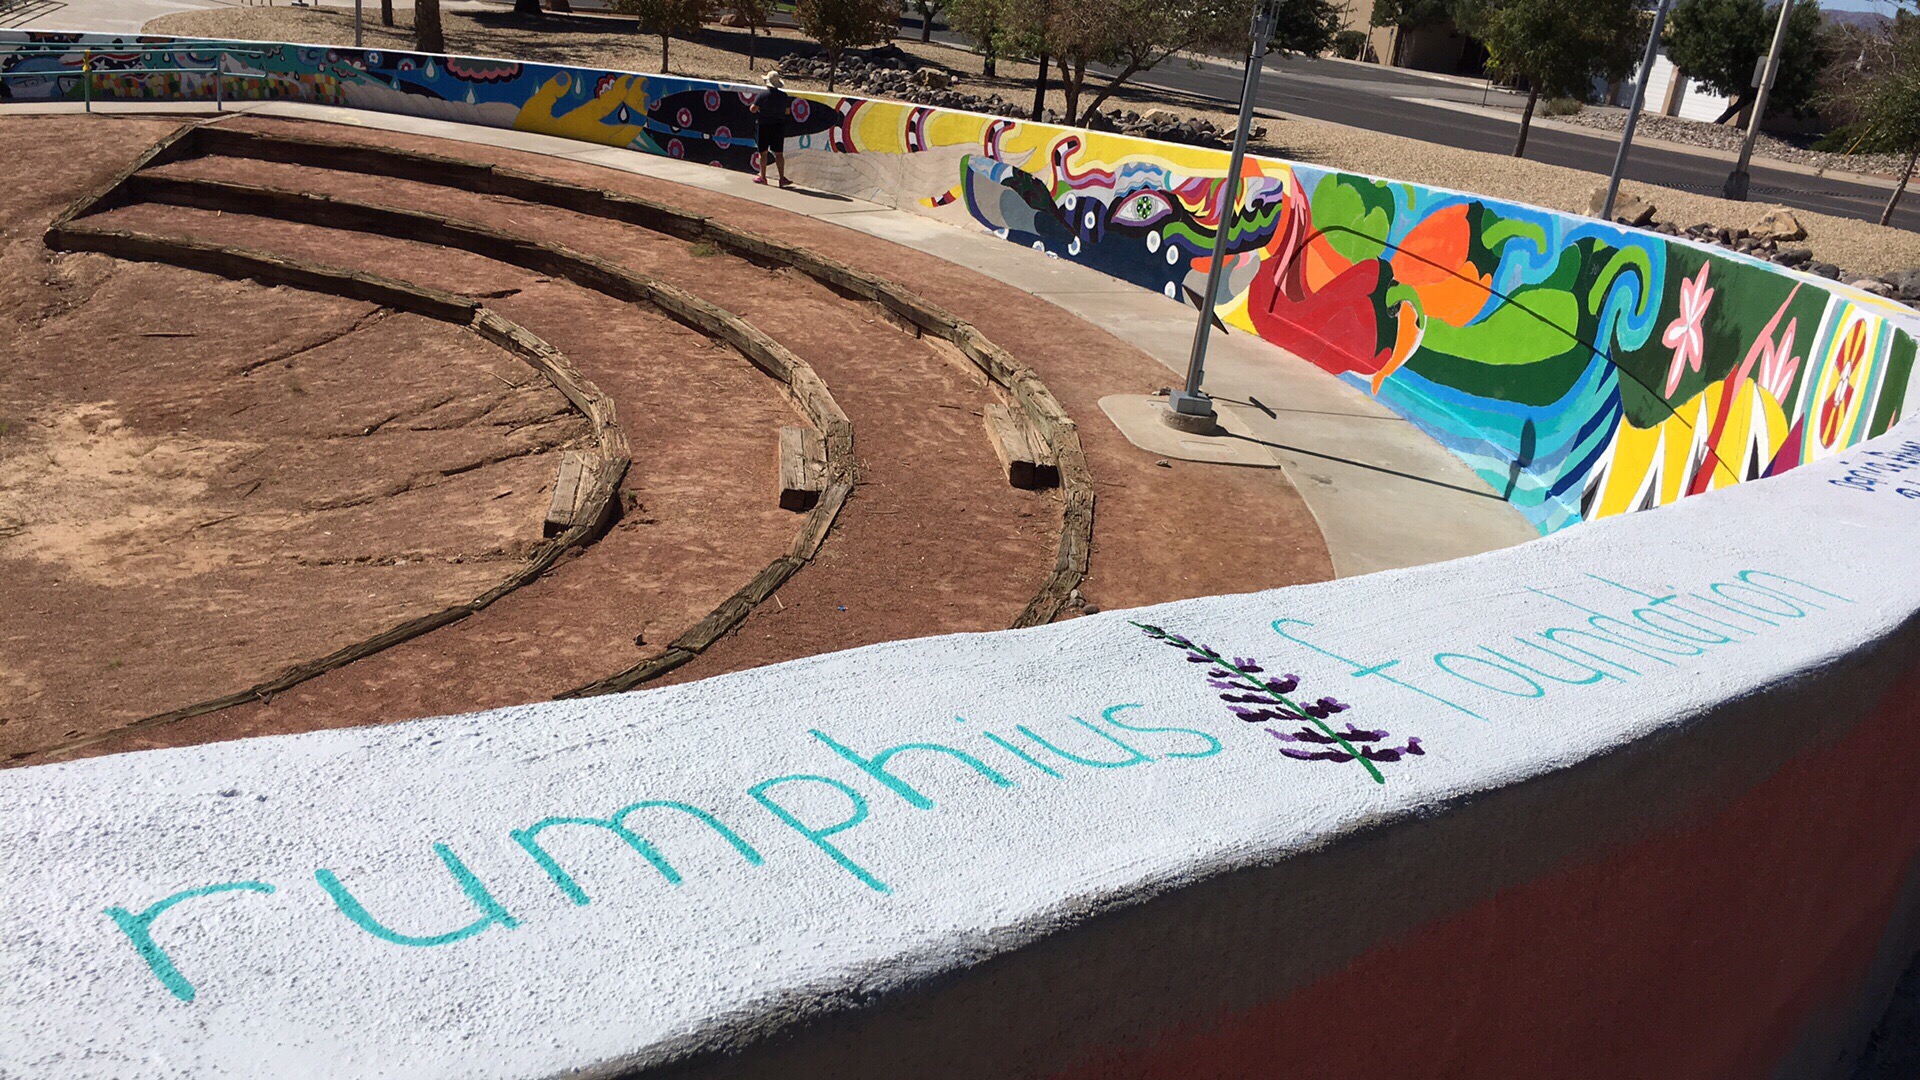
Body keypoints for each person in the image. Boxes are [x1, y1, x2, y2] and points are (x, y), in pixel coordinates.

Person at [752, 70, 793, 188]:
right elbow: (787, 111)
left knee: (763, 152)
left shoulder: (762, 95)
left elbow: (753, 109)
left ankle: (763, 177)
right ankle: (781, 178)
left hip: (764, 125)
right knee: (779, 154)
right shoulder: (783, 96)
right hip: (778, 126)